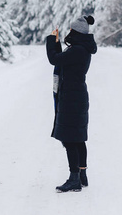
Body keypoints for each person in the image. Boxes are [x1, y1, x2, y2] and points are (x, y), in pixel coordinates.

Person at [46, 15, 97, 193]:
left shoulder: (77, 50)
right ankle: (82, 176)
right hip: (77, 97)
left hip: (72, 99)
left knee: (69, 139)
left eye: (71, 31)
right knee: (78, 138)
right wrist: (57, 42)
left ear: (76, 32)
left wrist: (52, 39)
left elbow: (55, 59)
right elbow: (62, 57)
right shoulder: (81, 49)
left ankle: (74, 179)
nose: (69, 33)